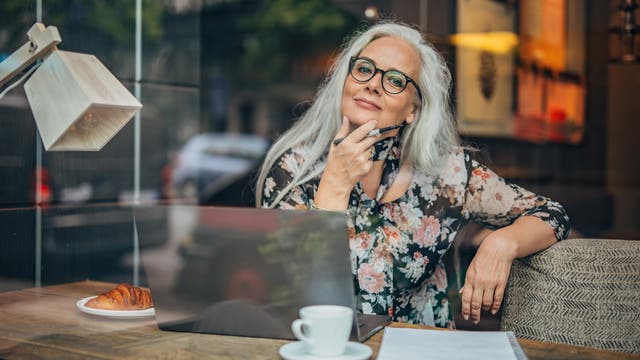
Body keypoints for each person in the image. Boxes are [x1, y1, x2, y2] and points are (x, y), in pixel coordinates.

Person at [255, 21, 570, 328]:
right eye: (364, 69)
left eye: (395, 80)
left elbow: (552, 215)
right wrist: (335, 186)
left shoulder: (447, 175)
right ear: (346, 81)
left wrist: (502, 244)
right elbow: (292, 292)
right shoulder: (292, 170)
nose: (373, 84)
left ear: (413, 110)